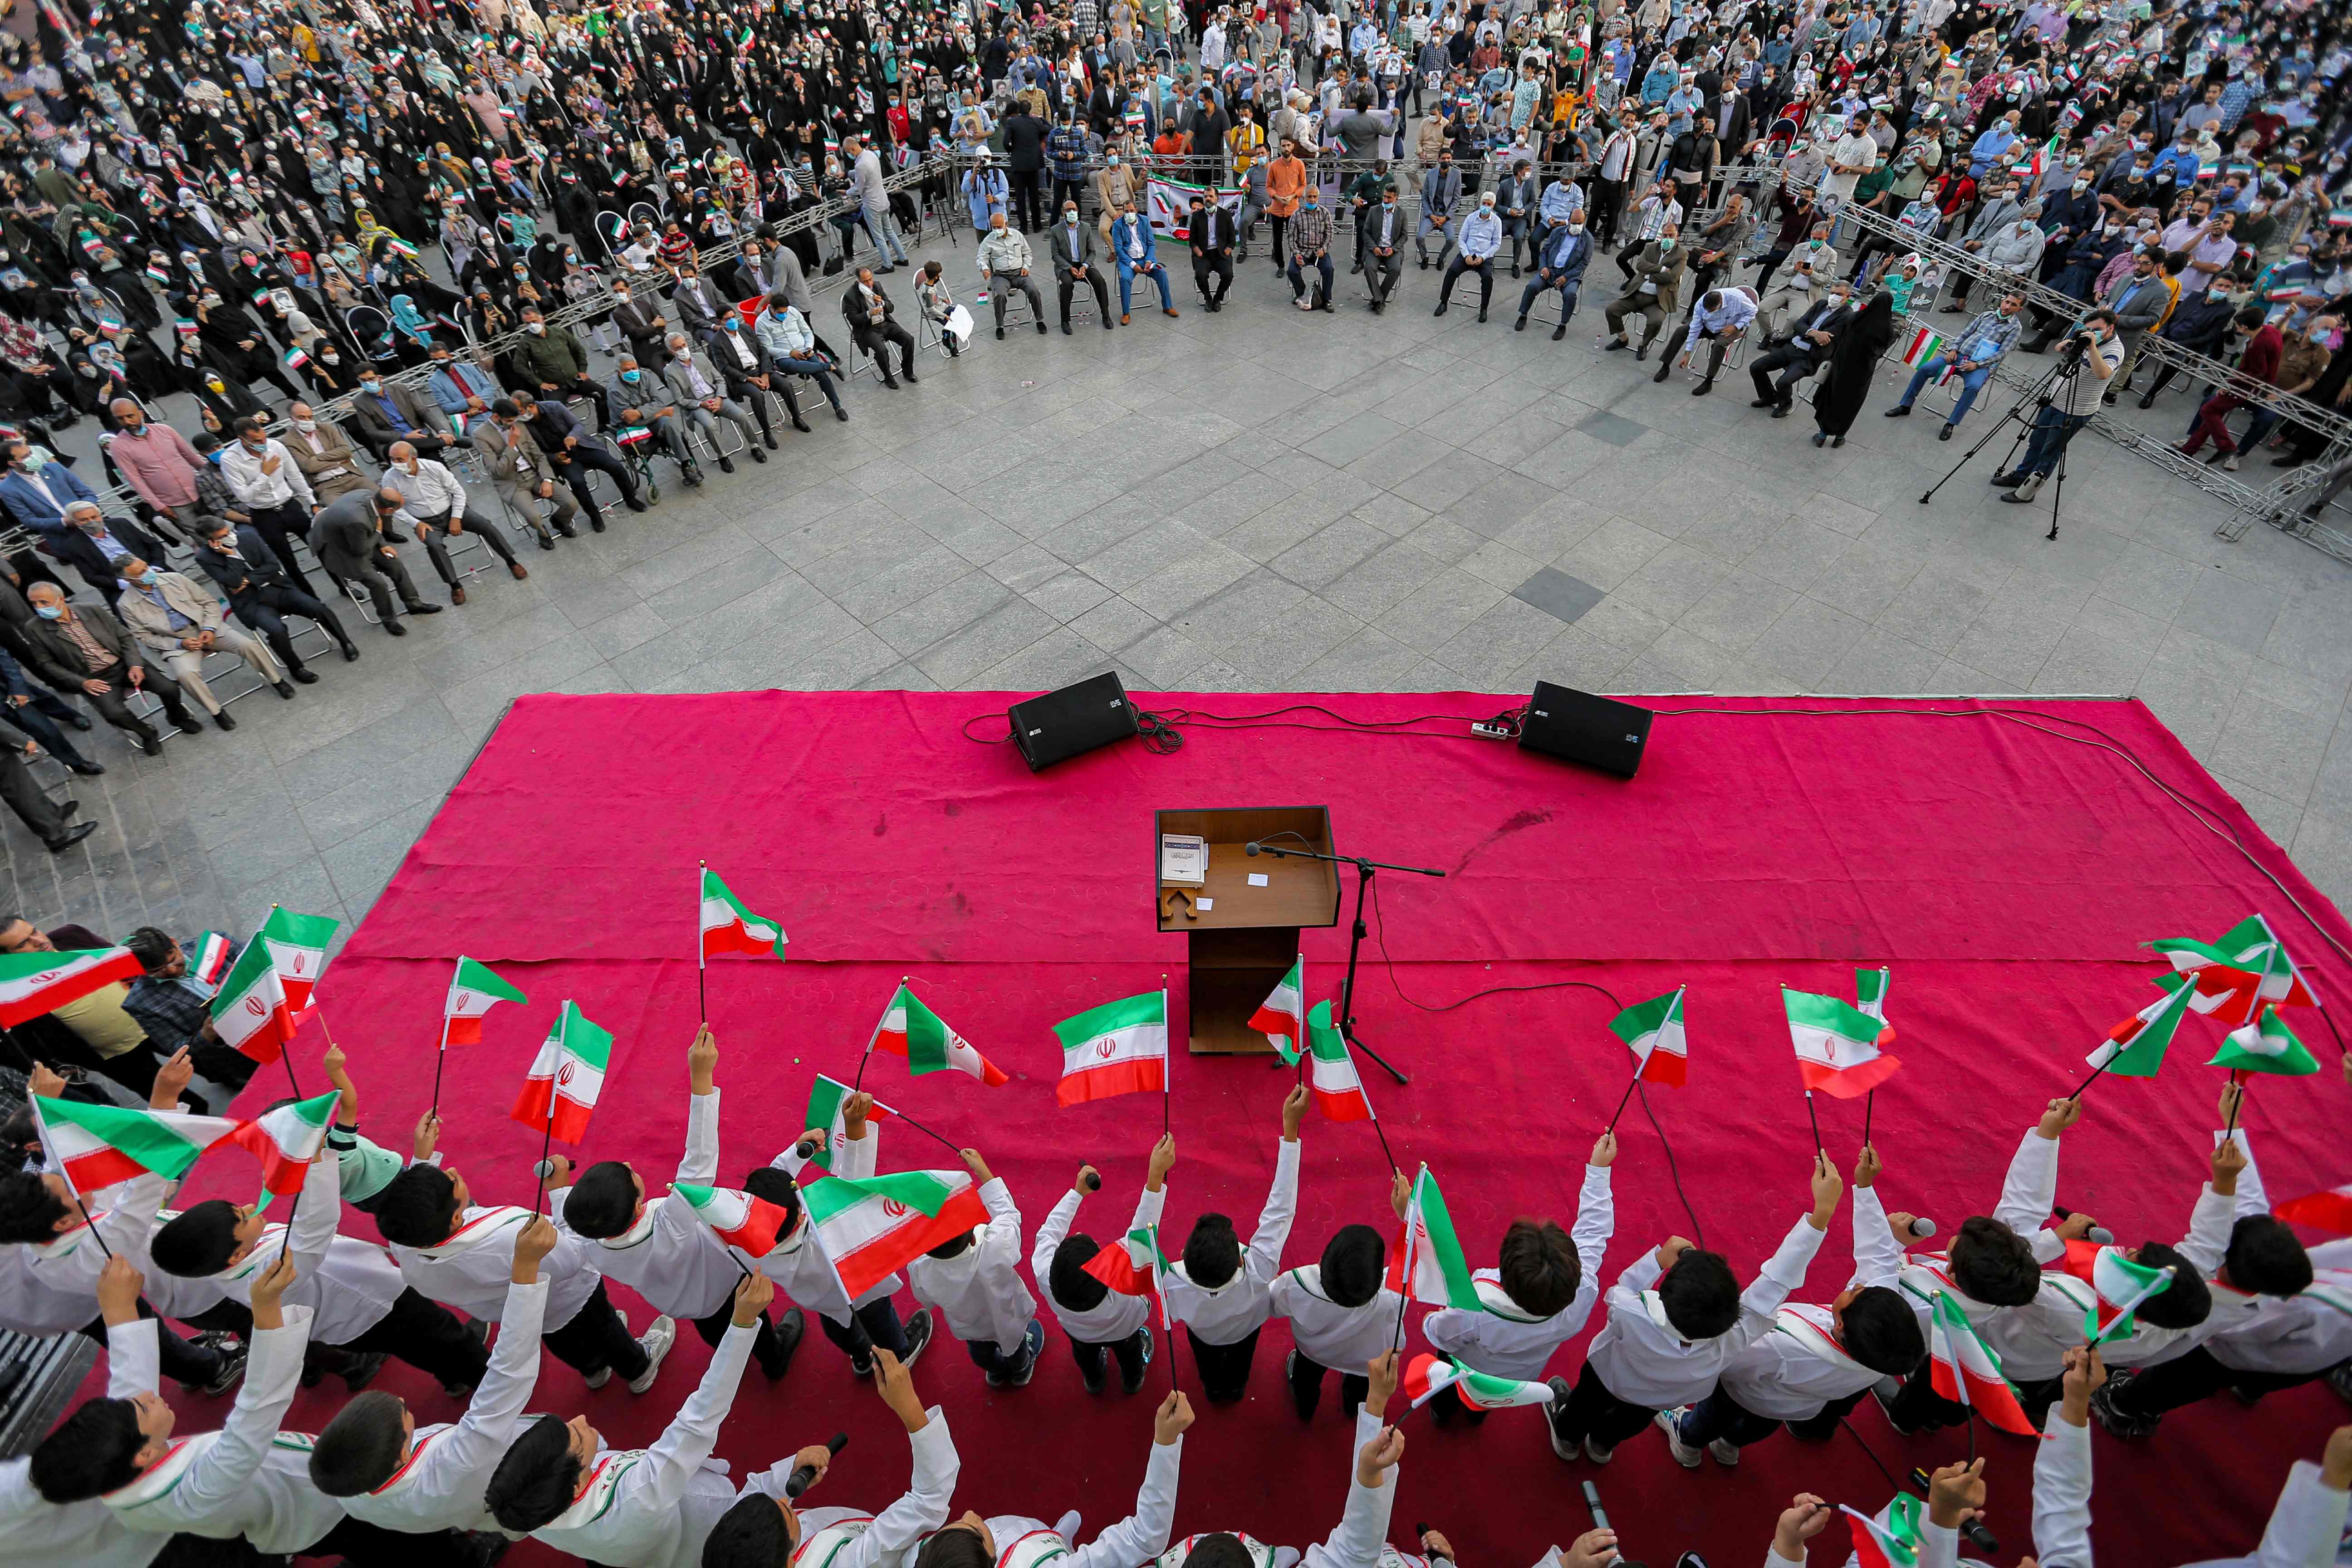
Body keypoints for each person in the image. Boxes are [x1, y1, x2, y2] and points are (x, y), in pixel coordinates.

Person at [32, 1254, 482, 1566]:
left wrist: (118, 1309)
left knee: (378, 1547)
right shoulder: (199, 1487)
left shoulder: (123, 1476)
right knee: (406, 1543)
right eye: (141, 1409)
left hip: (293, 1518)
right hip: (326, 1507)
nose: (150, 1396)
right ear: (143, 1456)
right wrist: (267, 1313)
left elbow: (131, 1376)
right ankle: (465, 1559)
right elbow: (261, 1402)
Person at [553, 1025, 806, 1382]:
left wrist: (556, 1192)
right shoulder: (670, 1221)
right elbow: (700, 1160)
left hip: (684, 1305)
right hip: (726, 1285)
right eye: (630, 1178)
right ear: (638, 1207)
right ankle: (774, 1356)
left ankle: (734, 1353)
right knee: (755, 1327)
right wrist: (702, 1076)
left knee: (713, 1329)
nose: (628, 1166)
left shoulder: (589, 1245)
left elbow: (563, 1233)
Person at [147, 1137, 489, 1398]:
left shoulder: (226, 1267)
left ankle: (452, 1375)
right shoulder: (270, 1272)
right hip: (376, 1306)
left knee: (419, 1347)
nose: (252, 1207)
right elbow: (316, 1224)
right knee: (439, 1332)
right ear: (235, 1255)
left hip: (354, 1316)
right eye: (242, 1217)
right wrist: (317, 1160)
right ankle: (483, 1377)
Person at [1547, 1156, 1835, 1463]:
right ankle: (1603, 1445)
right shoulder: (1735, 1336)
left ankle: (1567, 1439)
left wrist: (1657, 1259)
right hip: (1657, 1400)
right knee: (1630, 1422)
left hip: (1607, 1377)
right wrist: (1821, 1215)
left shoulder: (1633, 1312)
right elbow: (1778, 1281)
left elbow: (1621, 1290)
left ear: (1665, 1292)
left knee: (1583, 1405)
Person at [1659, 1144, 1923, 1465]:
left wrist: (1821, 1215)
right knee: (1758, 1427)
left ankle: (1688, 1442)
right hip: (1796, 1407)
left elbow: (1731, 1360)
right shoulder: (1885, 1347)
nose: (1857, 1284)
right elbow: (1879, 1258)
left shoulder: (1783, 1347)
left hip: (1745, 1393)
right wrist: (1865, 1187)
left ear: (1840, 1324)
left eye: (1855, 1291)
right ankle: (1729, 1446)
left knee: (1711, 1416)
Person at [372, 1122, 677, 1391]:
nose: (452, 1172)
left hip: (534, 1315)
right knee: (607, 1329)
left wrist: (422, 1159)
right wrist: (560, 1193)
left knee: (564, 1343)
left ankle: (594, 1370)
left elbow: (408, 1210)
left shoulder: (405, 1243)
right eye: (450, 1182)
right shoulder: (511, 1236)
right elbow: (573, 1258)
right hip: (573, 1297)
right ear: (454, 1219)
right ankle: (639, 1367)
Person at [310, 1213, 560, 1534]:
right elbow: (509, 1372)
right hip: (529, 1476)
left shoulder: (351, 1493)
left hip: (474, 1512)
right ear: (401, 1453)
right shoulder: (460, 1459)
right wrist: (525, 1270)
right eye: (402, 1411)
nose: (402, 1398)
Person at [699, 1344, 958, 1568]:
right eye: (789, 1513)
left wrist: (789, 1473)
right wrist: (910, 1407)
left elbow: (758, 1492)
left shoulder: (734, 1550)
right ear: (791, 1562)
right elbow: (928, 1501)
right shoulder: (849, 1561)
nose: (785, 1500)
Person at [1425, 1133, 1614, 1425]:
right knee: (1484, 1402)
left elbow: (1441, 1335)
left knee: (1448, 1389)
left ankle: (1442, 1411)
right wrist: (1599, 1173)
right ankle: (1477, 1416)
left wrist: (1430, 1321)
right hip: (1516, 1378)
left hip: (1465, 1368)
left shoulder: (1480, 1303)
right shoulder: (1584, 1289)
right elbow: (1593, 1233)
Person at [738, 1109, 936, 1374]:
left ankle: (861, 1357)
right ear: (798, 1218)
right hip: (863, 1290)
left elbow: (769, 1195)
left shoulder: (744, 1242)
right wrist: (855, 1127)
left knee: (837, 1325)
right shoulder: (827, 1230)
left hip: (821, 1300)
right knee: (880, 1322)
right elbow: (854, 1185)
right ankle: (901, 1353)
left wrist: (798, 1152)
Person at [910, 1392, 1190, 1568]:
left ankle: (1056, 1537)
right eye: (978, 1531)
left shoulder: (922, 1561)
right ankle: (1059, 1545)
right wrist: (1166, 1444)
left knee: (1040, 1533)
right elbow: (1144, 1538)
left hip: (1030, 1538)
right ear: (991, 1559)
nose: (971, 1514)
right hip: (1038, 1553)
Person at [1163, 1087, 1304, 1404]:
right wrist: (1290, 1131)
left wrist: (1156, 1175)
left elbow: (1139, 1242)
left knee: (1207, 1367)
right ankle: (1237, 1388)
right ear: (1241, 1261)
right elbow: (1281, 1210)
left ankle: (1213, 1390)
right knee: (1242, 1363)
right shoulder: (1260, 1269)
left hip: (1202, 1337)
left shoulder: (1169, 1278)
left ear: (1185, 1257)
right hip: (1246, 1332)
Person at [1038, 1137, 1169, 1395]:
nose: (1075, 1234)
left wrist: (1076, 1193)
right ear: (1104, 1270)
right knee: (1130, 1353)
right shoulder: (1119, 1282)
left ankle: (1094, 1380)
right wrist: (1156, 1173)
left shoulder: (1042, 1272)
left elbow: (1048, 1234)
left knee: (1084, 1355)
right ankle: (1132, 1381)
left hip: (1079, 1333)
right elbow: (1144, 1229)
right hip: (1126, 1330)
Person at [16, 581, 205, 757]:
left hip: (123, 663)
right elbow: (46, 663)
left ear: (61, 599)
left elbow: (125, 638)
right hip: (93, 677)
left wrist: (135, 665)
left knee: (169, 688)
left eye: (44, 602)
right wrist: (83, 682)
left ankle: (177, 717)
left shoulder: (92, 611)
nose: (39, 608)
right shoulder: (35, 629)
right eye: (35, 604)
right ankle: (147, 733)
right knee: (114, 714)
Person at [907, 1145, 1043, 1388]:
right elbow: (1009, 1215)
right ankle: (1021, 1369)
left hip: (969, 1326)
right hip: (1007, 1316)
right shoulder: (993, 1243)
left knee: (980, 1352)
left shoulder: (919, 1266)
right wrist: (984, 1173)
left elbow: (925, 1300)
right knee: (1017, 1345)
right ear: (972, 1237)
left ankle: (996, 1371)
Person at [111, 554, 291, 728]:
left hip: (206, 626)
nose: (148, 571)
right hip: (177, 642)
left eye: (146, 566)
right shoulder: (126, 605)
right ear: (130, 580)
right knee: (186, 676)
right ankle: (217, 712)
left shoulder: (175, 579)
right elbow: (145, 637)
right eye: (141, 572)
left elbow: (209, 603)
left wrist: (209, 628)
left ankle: (277, 681)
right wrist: (180, 644)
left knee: (248, 645)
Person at [1271, 1195, 1402, 1422]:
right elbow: (1425, 1261)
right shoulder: (1393, 1294)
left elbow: (1273, 1306)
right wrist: (1406, 1215)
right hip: (1366, 1359)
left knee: (1306, 1381)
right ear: (1378, 1278)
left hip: (1314, 1351)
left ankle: (1306, 1409)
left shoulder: (1297, 1281)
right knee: (1362, 1387)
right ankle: (1353, 1408)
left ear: (1323, 1260)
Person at [1994, 308, 2123, 501]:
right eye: (2088, 330)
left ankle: (2027, 493)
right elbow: (2066, 352)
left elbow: (2103, 373)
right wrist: (2070, 344)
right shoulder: (2086, 340)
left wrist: (2093, 347)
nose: (2091, 333)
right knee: (2036, 443)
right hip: (2055, 401)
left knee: (2050, 452)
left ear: (2110, 328)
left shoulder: (2115, 350)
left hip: (2076, 410)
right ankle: (2021, 476)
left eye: (2096, 330)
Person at [382, 441, 529, 603]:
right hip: (425, 522)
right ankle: (455, 585)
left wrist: (456, 518)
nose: (395, 464)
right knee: (434, 546)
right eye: (392, 459)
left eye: (399, 459)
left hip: (452, 510)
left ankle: (511, 561)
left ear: (414, 458)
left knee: (485, 525)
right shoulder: (390, 479)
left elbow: (458, 492)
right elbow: (395, 508)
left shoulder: (434, 467)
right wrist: (415, 523)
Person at [1884, 293, 2028, 438]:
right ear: (2002, 301)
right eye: (2007, 302)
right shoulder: (1986, 316)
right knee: (1924, 369)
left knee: (1973, 388)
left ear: (2020, 309)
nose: (2008, 307)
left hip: (1979, 366)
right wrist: (1953, 349)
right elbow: (1965, 334)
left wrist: (1977, 365)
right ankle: (1905, 405)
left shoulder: (2015, 328)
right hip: (1957, 357)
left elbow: (2003, 353)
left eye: (2013, 305)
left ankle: (1951, 424)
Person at [308, 487, 444, 635]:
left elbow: (373, 523)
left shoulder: (369, 497)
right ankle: (388, 620)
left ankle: (414, 604)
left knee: (395, 565)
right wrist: (379, 532)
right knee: (378, 583)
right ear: (388, 509)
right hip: (339, 552)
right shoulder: (357, 519)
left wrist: (384, 544)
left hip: (358, 538)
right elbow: (360, 550)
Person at [473, 397, 585, 547]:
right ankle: (542, 532)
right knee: (535, 518)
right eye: (508, 420)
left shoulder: (519, 424)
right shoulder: (480, 435)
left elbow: (538, 456)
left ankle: (560, 522)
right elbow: (497, 471)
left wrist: (547, 480)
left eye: (515, 419)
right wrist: (512, 444)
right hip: (512, 482)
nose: (512, 423)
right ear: (496, 416)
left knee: (571, 504)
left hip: (535, 474)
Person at [662, 334, 770, 470]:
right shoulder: (670, 371)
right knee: (710, 425)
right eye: (678, 348)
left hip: (716, 397)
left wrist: (719, 398)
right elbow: (679, 400)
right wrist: (702, 404)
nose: (683, 349)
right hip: (697, 405)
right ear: (672, 352)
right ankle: (722, 456)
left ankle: (755, 446)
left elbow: (719, 380)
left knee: (742, 415)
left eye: (684, 345)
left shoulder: (700, 357)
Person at [1748, 282, 1856, 417]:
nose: (1834, 297)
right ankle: (1769, 397)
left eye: (1839, 295)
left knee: (1783, 382)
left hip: (1809, 357)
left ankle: (1785, 404)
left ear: (1848, 296)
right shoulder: (1821, 304)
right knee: (1756, 367)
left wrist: (1808, 333)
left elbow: (1823, 340)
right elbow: (1798, 324)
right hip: (1791, 347)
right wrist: (1814, 333)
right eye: (1833, 293)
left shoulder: (1847, 316)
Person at [1811, 289, 1896, 449]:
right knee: (1851, 404)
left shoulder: (1857, 318)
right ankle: (1840, 437)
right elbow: (1881, 351)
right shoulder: (1888, 331)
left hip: (1842, 367)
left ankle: (1822, 436)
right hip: (1863, 374)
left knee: (1833, 398)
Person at [755, 294, 852, 422]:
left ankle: (838, 406)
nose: (784, 315)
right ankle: (828, 366)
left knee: (821, 375)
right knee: (794, 365)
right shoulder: (761, 322)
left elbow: (807, 332)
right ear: (772, 309)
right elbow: (768, 348)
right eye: (780, 313)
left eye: (786, 312)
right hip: (784, 357)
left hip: (805, 350)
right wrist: (790, 353)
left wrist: (809, 347)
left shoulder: (793, 312)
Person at [1601, 225, 1687, 360]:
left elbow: (1672, 277)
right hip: (1636, 294)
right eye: (1665, 235)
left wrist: (1649, 275)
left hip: (1657, 300)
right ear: (1661, 235)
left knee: (1656, 321)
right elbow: (1640, 265)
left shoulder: (1682, 254)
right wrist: (1663, 269)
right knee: (1612, 311)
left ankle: (1643, 345)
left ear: (1677, 237)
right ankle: (1623, 339)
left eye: (1671, 236)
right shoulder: (1650, 247)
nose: (1668, 238)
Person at [1662, 287, 1758, 395]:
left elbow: (1753, 311)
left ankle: (1708, 382)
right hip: (1708, 326)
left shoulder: (1738, 299)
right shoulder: (1700, 305)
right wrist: (1687, 353)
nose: (1710, 313)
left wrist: (1737, 326)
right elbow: (1695, 329)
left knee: (1719, 345)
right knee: (1681, 331)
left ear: (1721, 302)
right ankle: (1665, 366)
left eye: (1712, 311)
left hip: (1729, 328)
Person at [841, 267, 921, 388]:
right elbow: (853, 319)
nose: (869, 284)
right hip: (868, 329)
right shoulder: (851, 295)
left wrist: (882, 303)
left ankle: (908, 371)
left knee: (909, 339)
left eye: (871, 280)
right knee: (882, 351)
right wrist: (869, 313)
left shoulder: (877, 286)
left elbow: (891, 308)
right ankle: (888, 378)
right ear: (858, 281)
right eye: (865, 282)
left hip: (885, 323)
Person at [1514, 217, 1592, 339]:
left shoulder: (1588, 239)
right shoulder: (1558, 232)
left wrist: (1566, 277)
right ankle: (1523, 315)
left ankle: (1563, 325)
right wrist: (1543, 267)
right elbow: (1544, 252)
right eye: (1574, 223)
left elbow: (1583, 264)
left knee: (1571, 294)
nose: (1576, 226)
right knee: (1532, 286)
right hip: (1550, 271)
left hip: (1570, 276)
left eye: (1580, 223)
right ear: (1569, 221)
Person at [978, 215, 1050, 340]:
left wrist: (1026, 267)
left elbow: (1027, 253)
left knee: (1034, 291)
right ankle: (1000, 326)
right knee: (1000, 296)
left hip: (1019, 273)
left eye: (999, 227)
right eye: (994, 227)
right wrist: (984, 269)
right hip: (1001, 276)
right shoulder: (988, 240)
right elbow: (981, 257)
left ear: (1006, 224)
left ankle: (1040, 320)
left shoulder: (1017, 235)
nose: (997, 230)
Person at [1434, 190, 1502, 321]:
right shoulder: (1471, 218)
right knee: (1452, 271)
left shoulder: (1497, 222)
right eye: (1484, 203)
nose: (1486, 206)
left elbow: (1496, 244)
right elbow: (1462, 239)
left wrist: (1483, 257)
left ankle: (1484, 309)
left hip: (1485, 256)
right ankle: (1443, 303)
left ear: (1493, 206)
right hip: (1468, 254)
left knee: (1488, 278)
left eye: (1489, 204)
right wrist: (1466, 255)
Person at [1108, 201, 1179, 324]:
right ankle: (1126, 313)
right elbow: (1119, 250)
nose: (1130, 214)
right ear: (1123, 212)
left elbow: (1151, 244)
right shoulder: (1117, 225)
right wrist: (1133, 265)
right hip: (1128, 261)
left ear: (1136, 210)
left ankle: (1168, 306)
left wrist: (1148, 260)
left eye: (1132, 211)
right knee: (1125, 279)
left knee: (1162, 274)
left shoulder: (1145, 221)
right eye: (1127, 212)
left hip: (1145, 258)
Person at [1051, 201, 1116, 334]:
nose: (1072, 212)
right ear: (1063, 213)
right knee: (1066, 285)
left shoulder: (1085, 228)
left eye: (1074, 209)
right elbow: (1055, 255)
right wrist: (1070, 268)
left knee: (1100, 281)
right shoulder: (1056, 230)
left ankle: (1106, 315)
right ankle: (1065, 320)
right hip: (1066, 266)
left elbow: (1092, 252)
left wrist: (1085, 266)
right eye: (1068, 210)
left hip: (1084, 264)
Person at [1288, 186, 1337, 313]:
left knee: (1329, 269)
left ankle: (1327, 300)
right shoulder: (1296, 215)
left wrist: (1324, 249)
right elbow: (1291, 238)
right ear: (1304, 198)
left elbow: (1330, 234)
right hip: (1302, 251)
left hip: (1319, 251)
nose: (1312, 200)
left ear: (1318, 198)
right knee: (1292, 271)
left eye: (1315, 197)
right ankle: (1302, 293)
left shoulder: (1325, 213)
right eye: (1309, 197)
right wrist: (1297, 254)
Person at [1360, 186, 1407, 314]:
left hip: (1392, 249)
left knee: (1396, 269)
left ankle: (1378, 299)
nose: (1385, 200)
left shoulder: (1402, 214)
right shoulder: (1374, 211)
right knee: (1369, 267)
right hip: (1375, 248)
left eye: (1389, 198)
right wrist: (1374, 247)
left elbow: (1404, 236)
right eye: (1385, 196)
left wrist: (1394, 249)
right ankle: (1380, 300)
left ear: (1396, 198)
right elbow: (1366, 232)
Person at [1190, 193, 1237, 311]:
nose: (1208, 199)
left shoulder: (1225, 215)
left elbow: (1232, 238)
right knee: (1200, 275)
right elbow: (1192, 241)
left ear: (1217, 198)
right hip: (1203, 254)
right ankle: (1208, 298)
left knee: (1228, 275)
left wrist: (1228, 250)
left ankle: (1218, 298)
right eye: (1206, 196)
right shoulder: (1197, 216)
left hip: (1220, 253)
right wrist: (1198, 252)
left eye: (1211, 196)